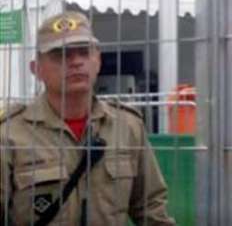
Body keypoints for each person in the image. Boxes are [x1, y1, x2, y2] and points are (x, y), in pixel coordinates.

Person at [0, 11, 174, 225]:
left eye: (84, 52)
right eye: (61, 54)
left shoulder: (126, 126)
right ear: (37, 69)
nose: (76, 62)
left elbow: (151, 208)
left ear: (98, 60)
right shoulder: (10, 134)